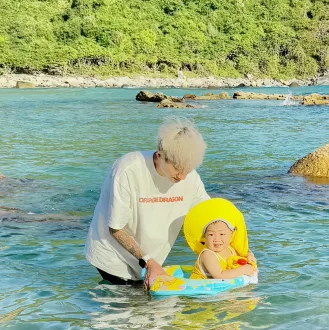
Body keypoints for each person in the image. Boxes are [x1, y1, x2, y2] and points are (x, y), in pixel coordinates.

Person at [85, 119, 207, 288]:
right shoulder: (128, 170)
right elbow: (115, 228)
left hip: (152, 257)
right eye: (177, 168)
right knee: (125, 307)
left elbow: (209, 216)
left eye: (187, 169)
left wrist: (238, 250)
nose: (182, 177)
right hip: (112, 256)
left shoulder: (190, 177)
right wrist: (148, 261)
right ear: (159, 155)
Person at [183, 198, 258, 281]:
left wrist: (249, 256)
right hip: (201, 289)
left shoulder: (230, 248)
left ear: (231, 235)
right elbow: (220, 276)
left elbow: (244, 251)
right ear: (204, 237)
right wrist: (244, 270)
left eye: (222, 234)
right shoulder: (208, 255)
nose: (216, 239)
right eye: (211, 234)